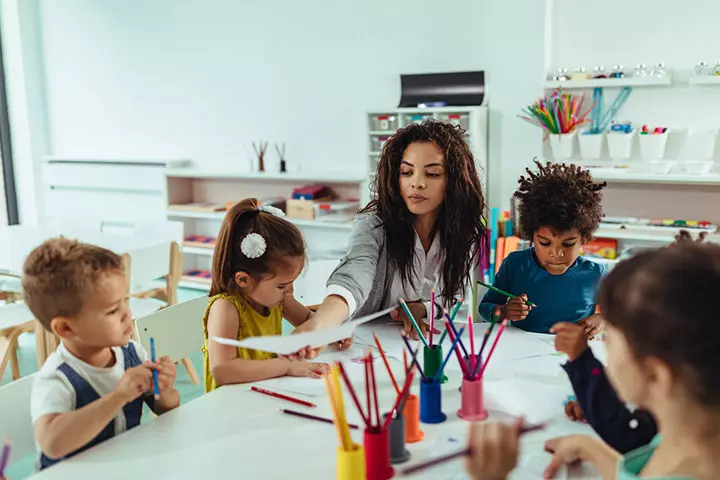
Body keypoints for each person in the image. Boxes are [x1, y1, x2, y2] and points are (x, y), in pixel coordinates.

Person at [465, 243, 720, 479]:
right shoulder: (682, 439)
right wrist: (590, 448)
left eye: (610, 341)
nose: (604, 350)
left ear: (655, 375)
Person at [294, 120, 486, 347]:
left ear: (453, 181)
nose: (417, 183)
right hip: (362, 345)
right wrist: (322, 325)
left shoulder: (458, 230)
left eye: (432, 174)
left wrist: (420, 308)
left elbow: (450, 297)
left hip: (412, 345)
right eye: (407, 172)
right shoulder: (374, 223)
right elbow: (355, 274)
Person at [25, 238, 180, 470]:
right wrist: (119, 396)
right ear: (66, 328)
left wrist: (163, 389)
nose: (127, 314)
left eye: (126, 301)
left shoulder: (132, 353)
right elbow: (52, 443)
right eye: (112, 310)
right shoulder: (56, 378)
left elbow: (168, 408)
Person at [202, 199, 329, 392]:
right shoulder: (226, 308)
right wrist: (286, 366)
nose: (289, 291)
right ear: (244, 280)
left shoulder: (278, 299)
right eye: (282, 285)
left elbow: (309, 321)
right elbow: (223, 370)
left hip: (266, 392)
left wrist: (332, 332)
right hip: (231, 406)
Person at [479, 161, 606, 334]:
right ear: (531, 236)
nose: (556, 253)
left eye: (568, 244)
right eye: (545, 243)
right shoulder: (515, 265)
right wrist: (505, 311)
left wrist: (602, 319)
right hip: (521, 351)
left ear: (584, 238)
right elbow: (485, 307)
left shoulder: (595, 274)